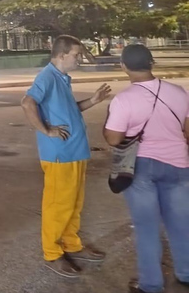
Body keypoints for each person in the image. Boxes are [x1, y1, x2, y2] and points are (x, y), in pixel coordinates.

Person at [21, 35, 111, 278]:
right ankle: (52, 253)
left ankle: (72, 244)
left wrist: (93, 100)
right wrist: (47, 131)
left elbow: (70, 110)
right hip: (60, 154)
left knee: (74, 204)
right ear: (61, 56)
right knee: (57, 205)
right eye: (76, 55)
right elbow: (28, 103)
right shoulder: (47, 77)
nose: (78, 59)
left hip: (75, 152)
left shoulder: (61, 78)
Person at [103, 44, 189, 293]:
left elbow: (113, 139)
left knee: (147, 227)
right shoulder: (179, 92)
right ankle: (186, 273)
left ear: (124, 66)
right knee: (181, 224)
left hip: (141, 167)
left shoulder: (124, 99)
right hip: (179, 164)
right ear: (152, 63)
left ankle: (151, 284)